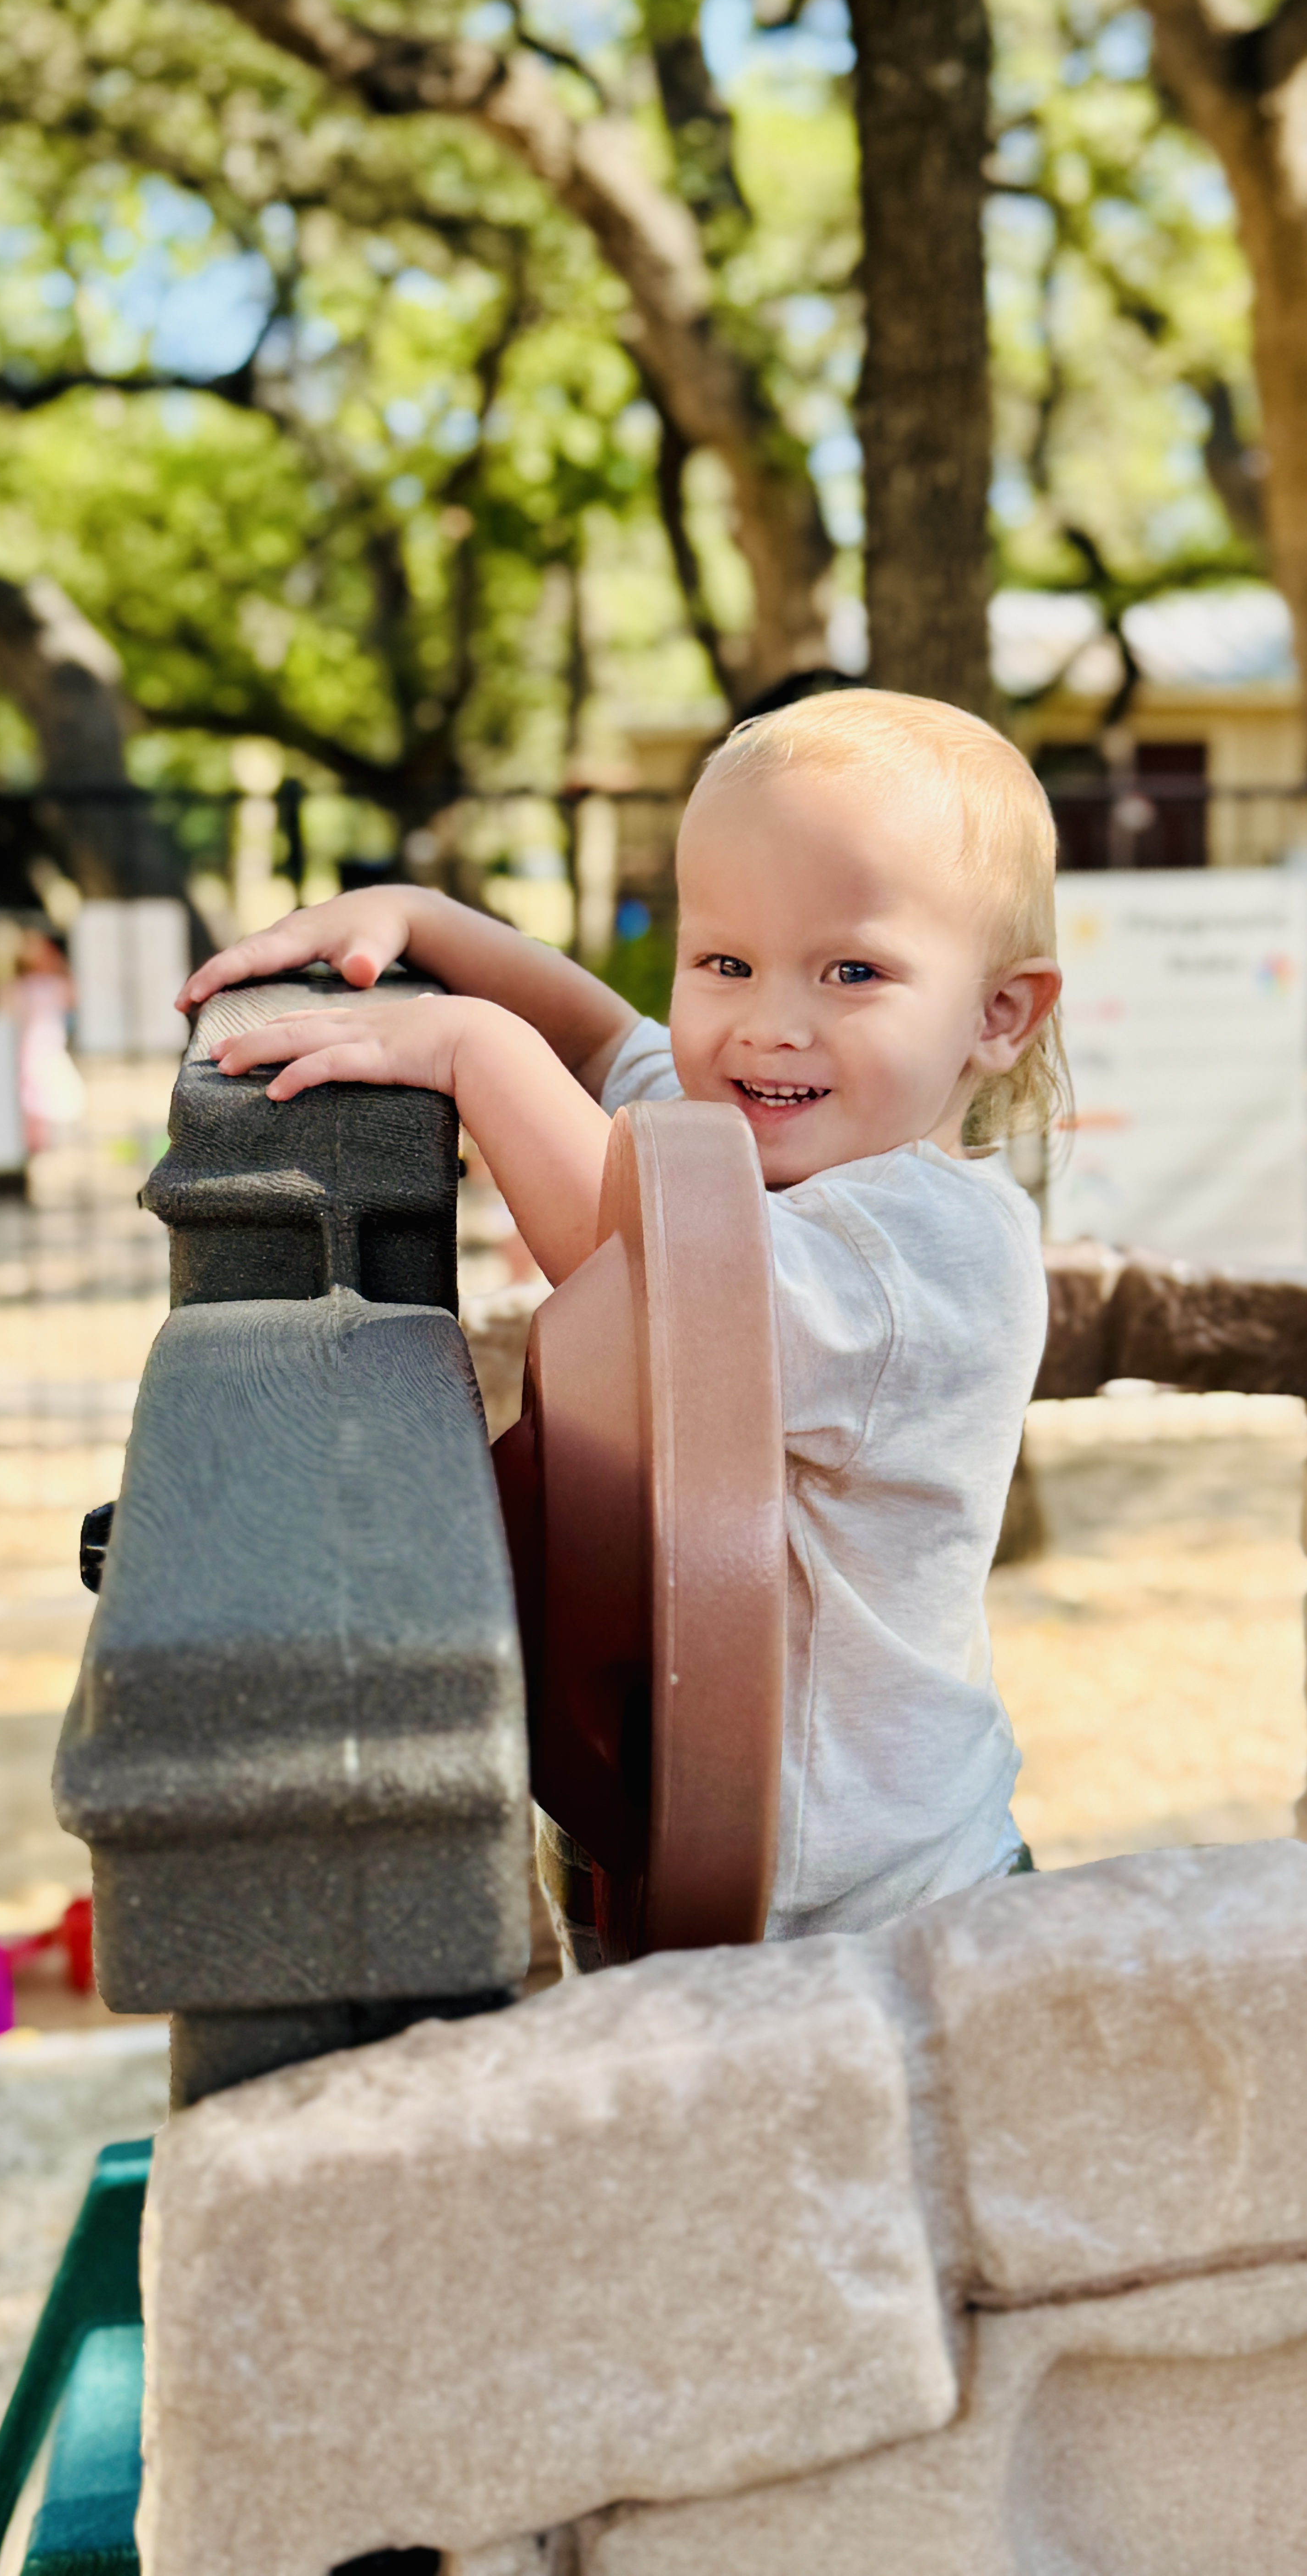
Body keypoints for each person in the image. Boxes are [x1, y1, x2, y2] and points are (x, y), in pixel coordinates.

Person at [178, 689, 1066, 1953]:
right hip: (706, 1869)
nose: (768, 1021)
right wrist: (428, 924)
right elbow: (599, 1035)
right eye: (725, 962)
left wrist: (471, 1053)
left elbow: (654, 1299)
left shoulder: (922, 1247)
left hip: (880, 1920)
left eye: (851, 972)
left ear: (996, 1014)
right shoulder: (740, 1132)